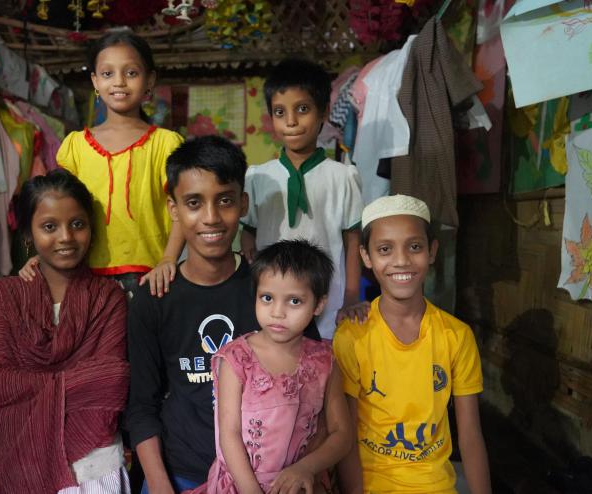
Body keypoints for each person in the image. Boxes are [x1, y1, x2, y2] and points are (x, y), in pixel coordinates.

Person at [126, 136, 322, 494]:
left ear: (243, 203)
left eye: (225, 201)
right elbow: (141, 407)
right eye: (194, 203)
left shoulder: (274, 292)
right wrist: (159, 486)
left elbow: (313, 387)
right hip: (180, 473)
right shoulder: (153, 298)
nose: (211, 218)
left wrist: (307, 469)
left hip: (270, 477)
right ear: (173, 209)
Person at [0, 169, 131, 493]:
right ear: (28, 234)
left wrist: (32, 392)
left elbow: (112, 383)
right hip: (17, 462)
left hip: (92, 468)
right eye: (49, 226)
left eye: (77, 224)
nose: (66, 238)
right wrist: (78, 384)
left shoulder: (108, 297)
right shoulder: (5, 296)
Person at [333, 195, 491, 494]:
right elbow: (347, 436)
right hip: (371, 485)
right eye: (384, 249)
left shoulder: (456, 335)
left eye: (414, 246)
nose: (402, 260)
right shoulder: (352, 336)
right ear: (366, 257)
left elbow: (469, 434)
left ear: (432, 251)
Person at [21, 29, 184, 295]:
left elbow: (181, 211)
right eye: (108, 74)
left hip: (152, 278)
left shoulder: (166, 144)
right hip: (84, 276)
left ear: (149, 80)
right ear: (95, 81)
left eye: (131, 73)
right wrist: (46, 254)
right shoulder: (75, 146)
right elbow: (59, 210)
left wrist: (168, 260)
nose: (119, 82)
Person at [189, 239, 353, 494]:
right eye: (267, 298)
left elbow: (342, 434)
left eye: (294, 301)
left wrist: (306, 468)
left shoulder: (325, 361)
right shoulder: (236, 358)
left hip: (300, 485)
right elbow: (229, 435)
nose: (277, 312)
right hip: (241, 485)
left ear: (318, 305)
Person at [240, 58, 367, 340]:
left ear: (323, 112)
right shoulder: (258, 177)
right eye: (280, 112)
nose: (291, 121)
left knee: (324, 369)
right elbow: (248, 234)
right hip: (274, 305)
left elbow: (353, 241)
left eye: (302, 109)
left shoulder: (343, 176)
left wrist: (350, 296)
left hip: (328, 302)